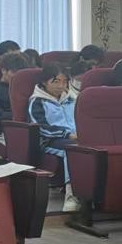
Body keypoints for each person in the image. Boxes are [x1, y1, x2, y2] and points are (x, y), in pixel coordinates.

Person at [28, 63, 79, 211]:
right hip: (50, 141)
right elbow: (40, 127)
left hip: (75, 137)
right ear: (44, 82)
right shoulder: (37, 101)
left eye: (64, 82)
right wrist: (67, 134)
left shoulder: (71, 99)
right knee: (73, 149)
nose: (61, 86)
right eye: (56, 82)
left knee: (92, 148)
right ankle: (71, 195)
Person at [0, 51, 30, 142]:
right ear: (3, 70)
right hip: (4, 131)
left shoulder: (26, 89)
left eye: (20, 73)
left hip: (29, 128)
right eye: (14, 72)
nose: (17, 77)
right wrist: (21, 117)